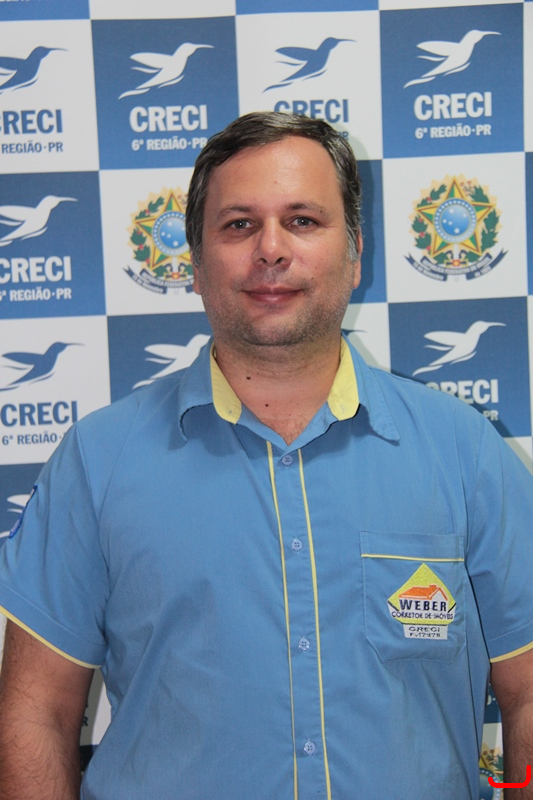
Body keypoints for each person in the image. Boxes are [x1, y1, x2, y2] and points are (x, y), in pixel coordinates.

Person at [0, 112, 532, 800]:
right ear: (196, 265)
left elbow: (526, 699)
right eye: (238, 224)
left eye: (303, 220)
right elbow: (35, 712)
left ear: (355, 253)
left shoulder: (464, 452)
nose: (271, 250)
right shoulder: (98, 462)